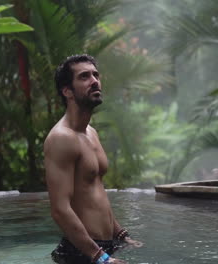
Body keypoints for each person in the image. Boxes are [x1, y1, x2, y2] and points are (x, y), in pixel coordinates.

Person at [44, 55, 142, 264]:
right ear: (67, 91)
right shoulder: (61, 138)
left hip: (102, 249)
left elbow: (95, 192)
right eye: (84, 76)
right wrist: (100, 258)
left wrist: (121, 235)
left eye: (96, 75)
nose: (95, 80)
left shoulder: (91, 133)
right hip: (81, 253)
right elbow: (60, 210)